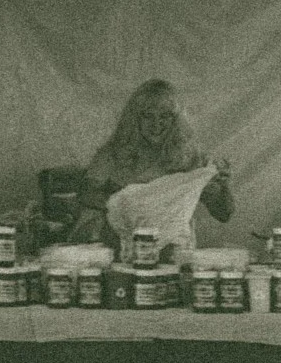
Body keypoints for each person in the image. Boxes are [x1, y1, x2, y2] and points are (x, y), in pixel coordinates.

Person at [67, 79, 234, 256]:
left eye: (165, 116)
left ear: (176, 119)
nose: (156, 124)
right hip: (118, 250)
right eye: (148, 116)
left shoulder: (190, 157)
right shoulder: (112, 153)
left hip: (172, 254)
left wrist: (223, 187)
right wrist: (125, 204)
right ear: (135, 119)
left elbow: (224, 214)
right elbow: (85, 193)